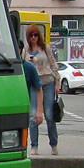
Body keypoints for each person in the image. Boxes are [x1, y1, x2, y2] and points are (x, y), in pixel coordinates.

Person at [25, 25, 61, 155]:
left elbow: (53, 64)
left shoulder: (45, 48)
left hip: (48, 82)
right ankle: (34, 146)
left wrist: (57, 83)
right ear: (28, 37)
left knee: (49, 114)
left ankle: (54, 144)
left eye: (35, 35)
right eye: (31, 35)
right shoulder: (26, 51)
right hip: (35, 84)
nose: (34, 37)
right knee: (33, 116)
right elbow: (24, 67)